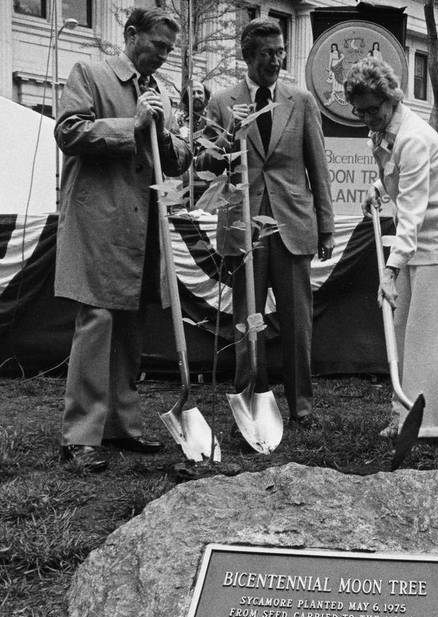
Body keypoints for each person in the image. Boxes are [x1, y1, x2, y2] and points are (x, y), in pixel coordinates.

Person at [55, 7, 192, 471]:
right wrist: (130, 125)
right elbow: (68, 131)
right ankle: (81, 436)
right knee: (96, 323)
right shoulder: (90, 73)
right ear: (131, 36)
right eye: (158, 46)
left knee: (130, 325)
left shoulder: (159, 94)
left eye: (170, 50)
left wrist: (176, 144)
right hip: (97, 222)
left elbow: (171, 162)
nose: (163, 56)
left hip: (140, 227)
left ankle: (122, 426)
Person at [199, 18, 334, 435]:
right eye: (267, 54)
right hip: (243, 228)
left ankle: (301, 408)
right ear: (247, 55)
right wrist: (227, 139)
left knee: (297, 324)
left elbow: (318, 167)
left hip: (292, 227)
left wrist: (325, 227)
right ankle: (251, 402)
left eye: (279, 52)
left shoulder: (301, 100)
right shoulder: (222, 101)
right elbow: (203, 165)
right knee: (248, 320)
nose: (276, 60)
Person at [344, 56, 438, 442]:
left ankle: (431, 428)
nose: (368, 118)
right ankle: (403, 416)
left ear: (391, 99)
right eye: (360, 111)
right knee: (402, 334)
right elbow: (398, 180)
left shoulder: (414, 138)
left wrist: (389, 270)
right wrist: (378, 190)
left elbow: (413, 212)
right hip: (416, 240)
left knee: (426, 339)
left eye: (373, 109)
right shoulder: (383, 131)